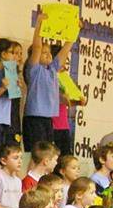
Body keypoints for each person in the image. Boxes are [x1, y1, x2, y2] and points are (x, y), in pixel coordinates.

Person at [23, 11, 75, 150]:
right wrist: (39, 23)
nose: (48, 55)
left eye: (49, 52)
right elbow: (37, 47)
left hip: (47, 119)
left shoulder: (52, 70)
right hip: (35, 118)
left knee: (47, 154)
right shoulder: (34, 70)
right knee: (37, 153)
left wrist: (74, 31)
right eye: (44, 53)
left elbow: (64, 51)